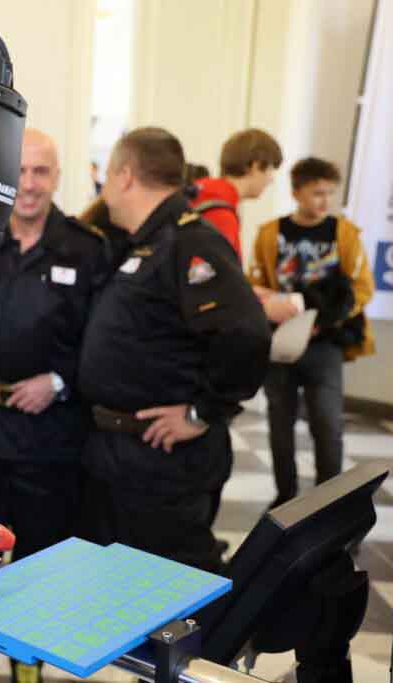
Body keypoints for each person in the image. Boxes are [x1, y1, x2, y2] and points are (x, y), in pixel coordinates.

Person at [0, 129, 112, 683]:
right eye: (20, 171)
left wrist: (58, 381)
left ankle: (26, 664)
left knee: (41, 556)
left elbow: (103, 344)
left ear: (57, 178)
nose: (29, 184)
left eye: (41, 172)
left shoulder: (87, 249)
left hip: (50, 433)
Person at [78, 127, 271, 573]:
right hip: (122, 455)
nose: (104, 190)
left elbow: (247, 334)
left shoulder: (190, 242)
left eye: (108, 176)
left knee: (168, 586)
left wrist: (202, 412)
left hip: (164, 460)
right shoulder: (146, 242)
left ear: (125, 175)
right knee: (119, 585)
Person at [249, 157, 375, 507]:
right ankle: (285, 496)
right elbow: (254, 284)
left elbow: (363, 288)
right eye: (317, 193)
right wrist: (273, 305)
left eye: (330, 193)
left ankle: (327, 500)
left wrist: (328, 318)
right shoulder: (270, 234)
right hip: (281, 341)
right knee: (280, 422)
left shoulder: (344, 233)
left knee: (328, 423)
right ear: (296, 193)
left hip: (325, 344)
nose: (325, 201)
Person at [192, 128, 283, 259]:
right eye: (271, 169)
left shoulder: (201, 193)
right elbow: (205, 268)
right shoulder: (220, 214)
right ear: (255, 166)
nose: (271, 180)